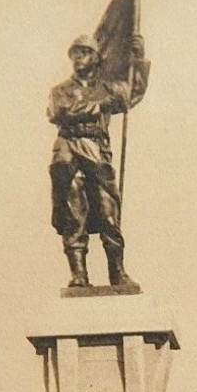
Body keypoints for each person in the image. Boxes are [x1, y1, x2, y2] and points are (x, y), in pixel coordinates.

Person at [47, 32, 150, 289]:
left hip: (97, 153)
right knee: (74, 215)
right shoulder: (60, 91)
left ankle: (118, 273)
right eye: (75, 54)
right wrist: (101, 104)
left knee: (109, 214)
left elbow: (132, 94)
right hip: (68, 154)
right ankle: (79, 275)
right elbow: (60, 112)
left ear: (95, 57)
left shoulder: (109, 88)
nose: (77, 59)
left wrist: (138, 60)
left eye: (83, 53)